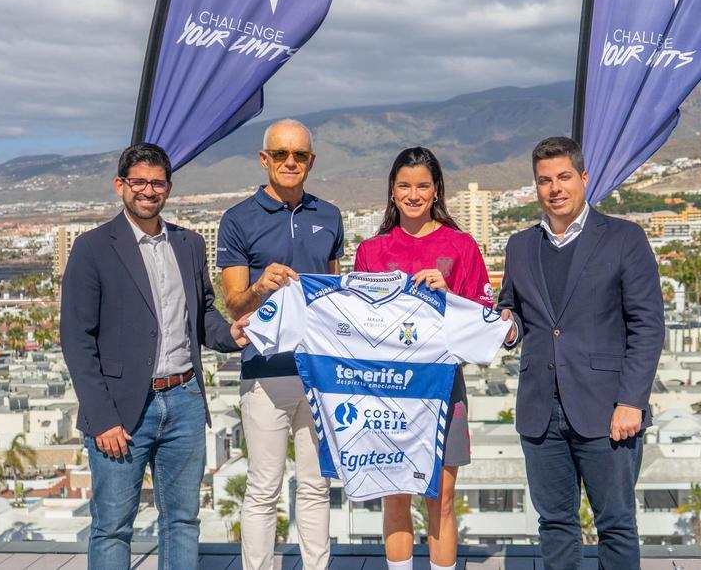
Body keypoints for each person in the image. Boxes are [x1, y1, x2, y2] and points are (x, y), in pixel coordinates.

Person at [60, 142, 248, 570]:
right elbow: (76, 338)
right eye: (138, 182)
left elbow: (200, 315)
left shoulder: (189, 244)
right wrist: (103, 416)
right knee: (112, 526)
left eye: (157, 182)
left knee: (182, 521)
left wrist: (230, 333)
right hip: (123, 411)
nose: (148, 190)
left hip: (184, 400)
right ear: (120, 186)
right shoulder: (92, 248)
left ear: (169, 187)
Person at [497, 136, 664, 570]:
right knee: (554, 524)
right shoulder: (519, 246)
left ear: (584, 178)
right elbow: (512, 310)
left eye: (564, 177)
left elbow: (648, 326)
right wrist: (506, 327)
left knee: (616, 524)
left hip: (608, 409)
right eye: (544, 180)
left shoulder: (625, 238)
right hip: (539, 410)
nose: (555, 188)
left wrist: (631, 401)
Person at [353, 146, 494, 570]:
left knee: (441, 499)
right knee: (395, 497)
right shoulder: (370, 251)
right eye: (404, 186)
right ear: (392, 193)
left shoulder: (462, 246)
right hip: (387, 395)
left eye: (422, 186)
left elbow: (484, 322)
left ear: (436, 192)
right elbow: (355, 326)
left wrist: (448, 296)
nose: (413, 194)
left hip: (444, 389)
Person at [218, 119, 343, 570]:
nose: (291, 162)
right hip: (264, 371)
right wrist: (260, 288)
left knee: (316, 484)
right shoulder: (236, 219)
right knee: (264, 485)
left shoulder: (329, 216)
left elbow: (332, 293)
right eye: (282, 154)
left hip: (318, 371)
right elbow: (234, 306)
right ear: (264, 159)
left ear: (311, 160)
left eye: (300, 155)